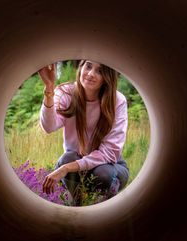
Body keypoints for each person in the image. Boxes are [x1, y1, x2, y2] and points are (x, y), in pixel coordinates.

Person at [38, 60, 129, 204]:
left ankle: (108, 199)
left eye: (100, 71)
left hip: (109, 165)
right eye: (88, 66)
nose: (91, 74)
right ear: (80, 68)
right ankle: (78, 206)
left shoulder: (117, 101)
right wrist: (49, 89)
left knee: (102, 173)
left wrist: (65, 169)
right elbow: (49, 127)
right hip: (75, 160)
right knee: (66, 159)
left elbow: (109, 153)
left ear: (107, 77)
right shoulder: (66, 93)